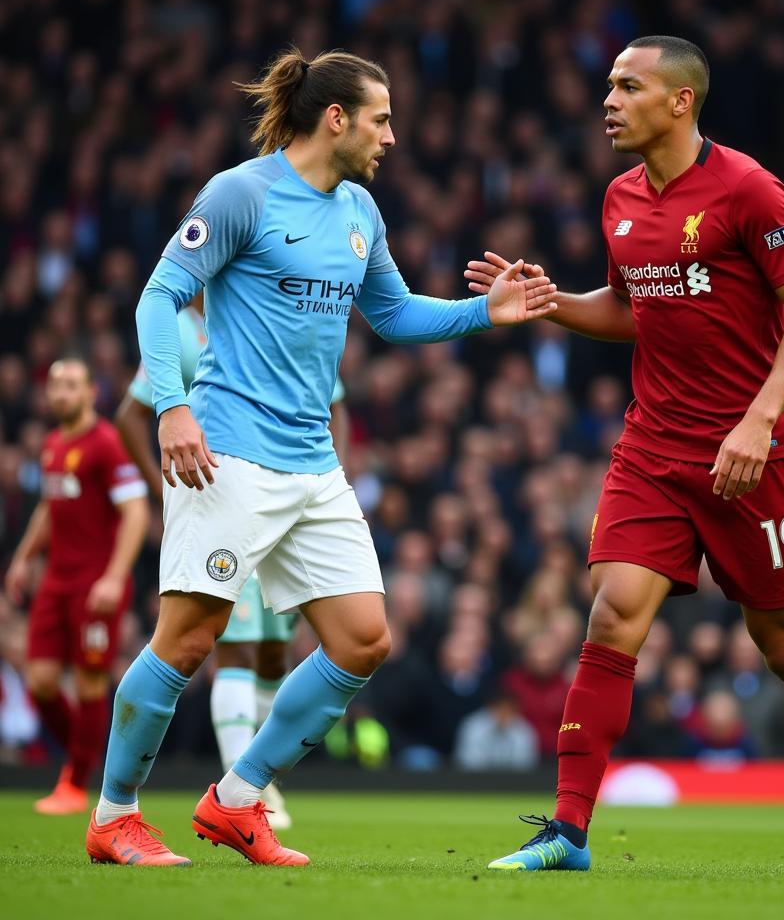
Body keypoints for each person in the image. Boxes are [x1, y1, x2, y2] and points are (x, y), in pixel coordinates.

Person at [85, 47, 557, 868]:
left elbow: (397, 315)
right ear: (335, 118)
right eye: (381, 119)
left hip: (313, 461)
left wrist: (488, 311)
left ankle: (236, 802)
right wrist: (171, 407)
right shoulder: (243, 192)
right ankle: (113, 816)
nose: (392, 136)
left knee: (364, 639)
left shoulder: (360, 211)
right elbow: (159, 295)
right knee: (188, 641)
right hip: (228, 453)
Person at [466, 35, 784, 874]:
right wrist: (549, 303)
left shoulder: (747, 188)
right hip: (655, 445)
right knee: (613, 612)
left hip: (756, 455)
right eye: (608, 86)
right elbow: (634, 310)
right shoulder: (620, 197)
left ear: (680, 102)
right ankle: (568, 832)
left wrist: (760, 420)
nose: (609, 101)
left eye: (629, 87)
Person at [115, 298, 350, 830]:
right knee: (229, 646)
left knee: (273, 653)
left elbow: (337, 405)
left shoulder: (273, 308)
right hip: (222, 501)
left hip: (294, 493)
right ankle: (236, 792)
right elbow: (131, 414)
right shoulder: (176, 328)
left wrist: (336, 483)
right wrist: (164, 488)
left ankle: (255, 780)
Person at [4, 359, 149, 814]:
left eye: (70, 385)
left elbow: (137, 512)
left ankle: (77, 780)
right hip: (56, 581)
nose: (60, 393)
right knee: (41, 681)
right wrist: (24, 558)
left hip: (94, 583)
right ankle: (83, 761)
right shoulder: (51, 444)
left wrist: (113, 576)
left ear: (90, 392)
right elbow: (51, 507)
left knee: (88, 682)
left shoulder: (105, 443)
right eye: (54, 386)